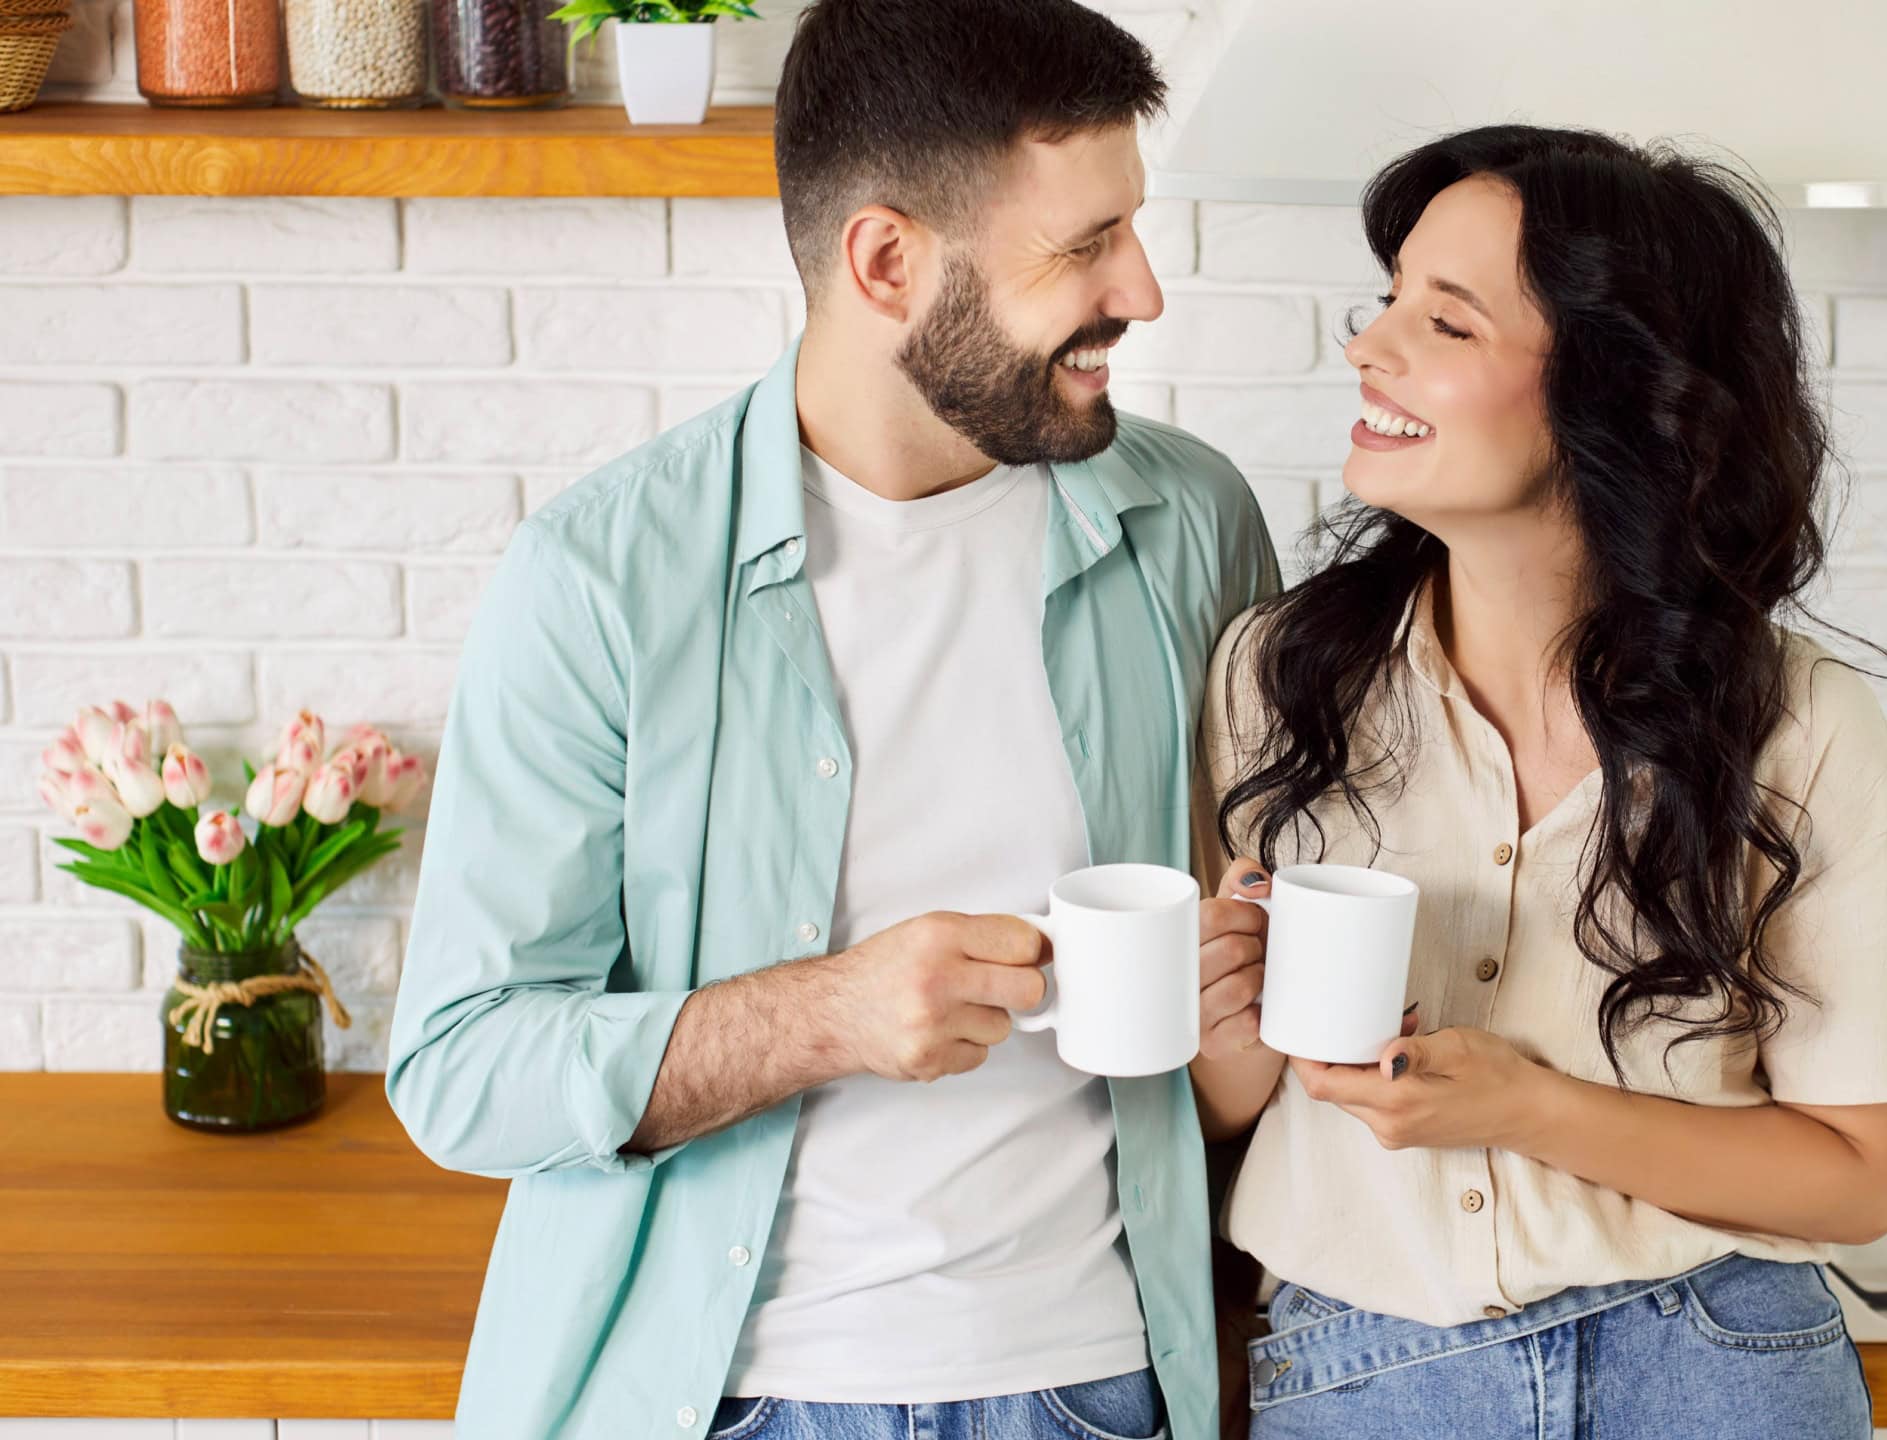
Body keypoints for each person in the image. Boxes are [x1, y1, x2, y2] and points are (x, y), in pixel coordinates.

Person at [384, 2, 1278, 1437]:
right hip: (730, 1399)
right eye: (1084, 245)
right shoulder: (606, 578)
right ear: (886, 260)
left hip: (1104, 1384)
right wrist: (826, 1016)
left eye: (1134, 228)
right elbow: (463, 1070)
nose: (1145, 290)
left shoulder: (1190, 525)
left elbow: (1237, 989)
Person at [1186, 125, 1887, 1439]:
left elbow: (1859, 1182)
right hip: (1371, 1367)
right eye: (1388, 302)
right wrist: (1226, 1009)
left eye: (1449, 323)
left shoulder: (1796, 725)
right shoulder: (1279, 676)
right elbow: (1229, 1101)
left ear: (1608, 391)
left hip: (1717, 1356)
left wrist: (1534, 1110)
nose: (1369, 347)